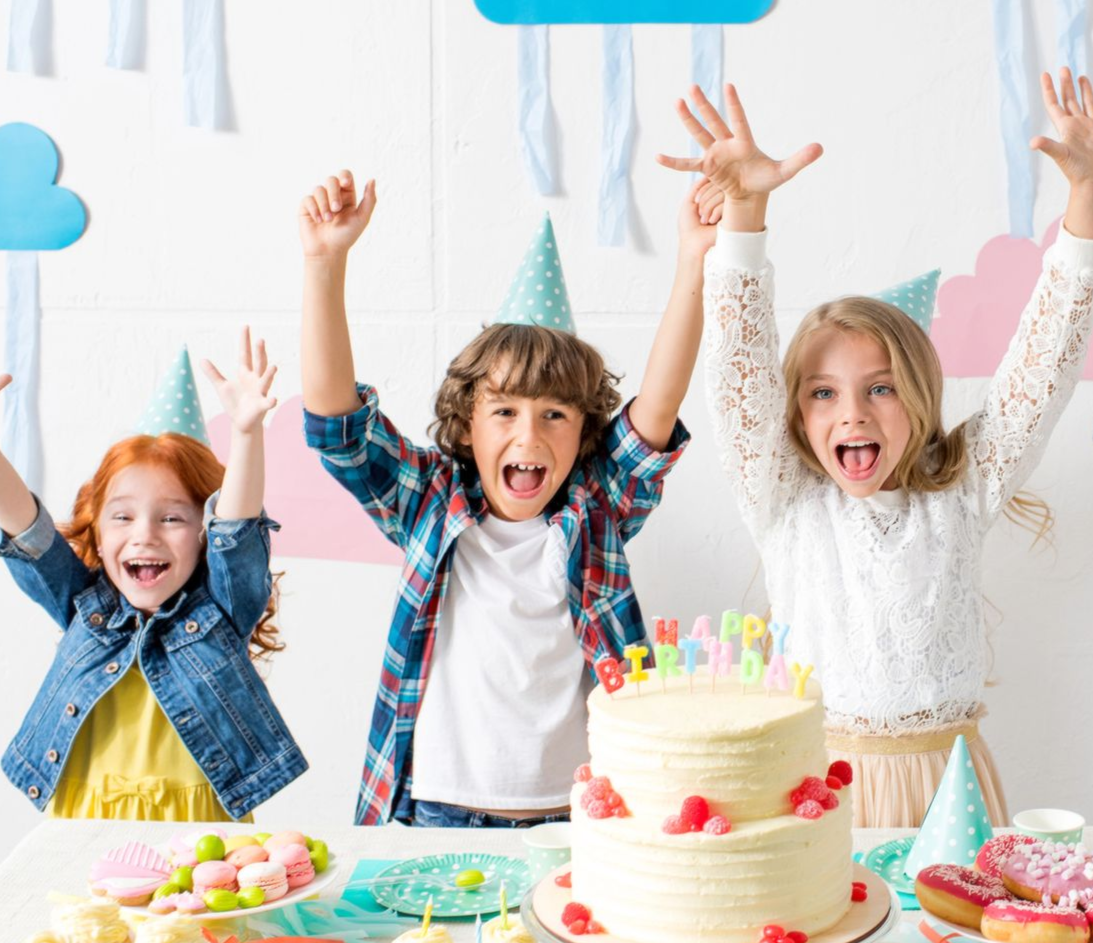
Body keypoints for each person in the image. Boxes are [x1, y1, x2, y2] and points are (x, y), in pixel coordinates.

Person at [657, 70, 1093, 827]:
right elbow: (736, 369)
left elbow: (1042, 365)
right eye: (822, 392)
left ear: (920, 403)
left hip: (947, 793)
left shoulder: (961, 492)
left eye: (880, 388)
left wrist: (1083, 203)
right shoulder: (784, 499)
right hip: (817, 790)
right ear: (794, 414)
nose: (851, 412)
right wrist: (746, 213)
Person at [299, 171, 714, 826]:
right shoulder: (429, 501)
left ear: (584, 434)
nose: (529, 435)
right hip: (434, 808)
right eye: (505, 412)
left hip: (573, 813)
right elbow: (338, 429)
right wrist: (325, 264)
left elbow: (657, 405)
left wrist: (693, 257)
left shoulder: (595, 511)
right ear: (466, 424)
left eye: (555, 414)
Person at [0, 329, 306, 820]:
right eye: (122, 517)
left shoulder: (220, 614)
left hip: (197, 831)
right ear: (98, 534)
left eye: (172, 518)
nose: (145, 535)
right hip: (84, 823)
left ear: (203, 535)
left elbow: (237, 531)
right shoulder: (84, 605)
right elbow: (28, 533)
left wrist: (247, 435)